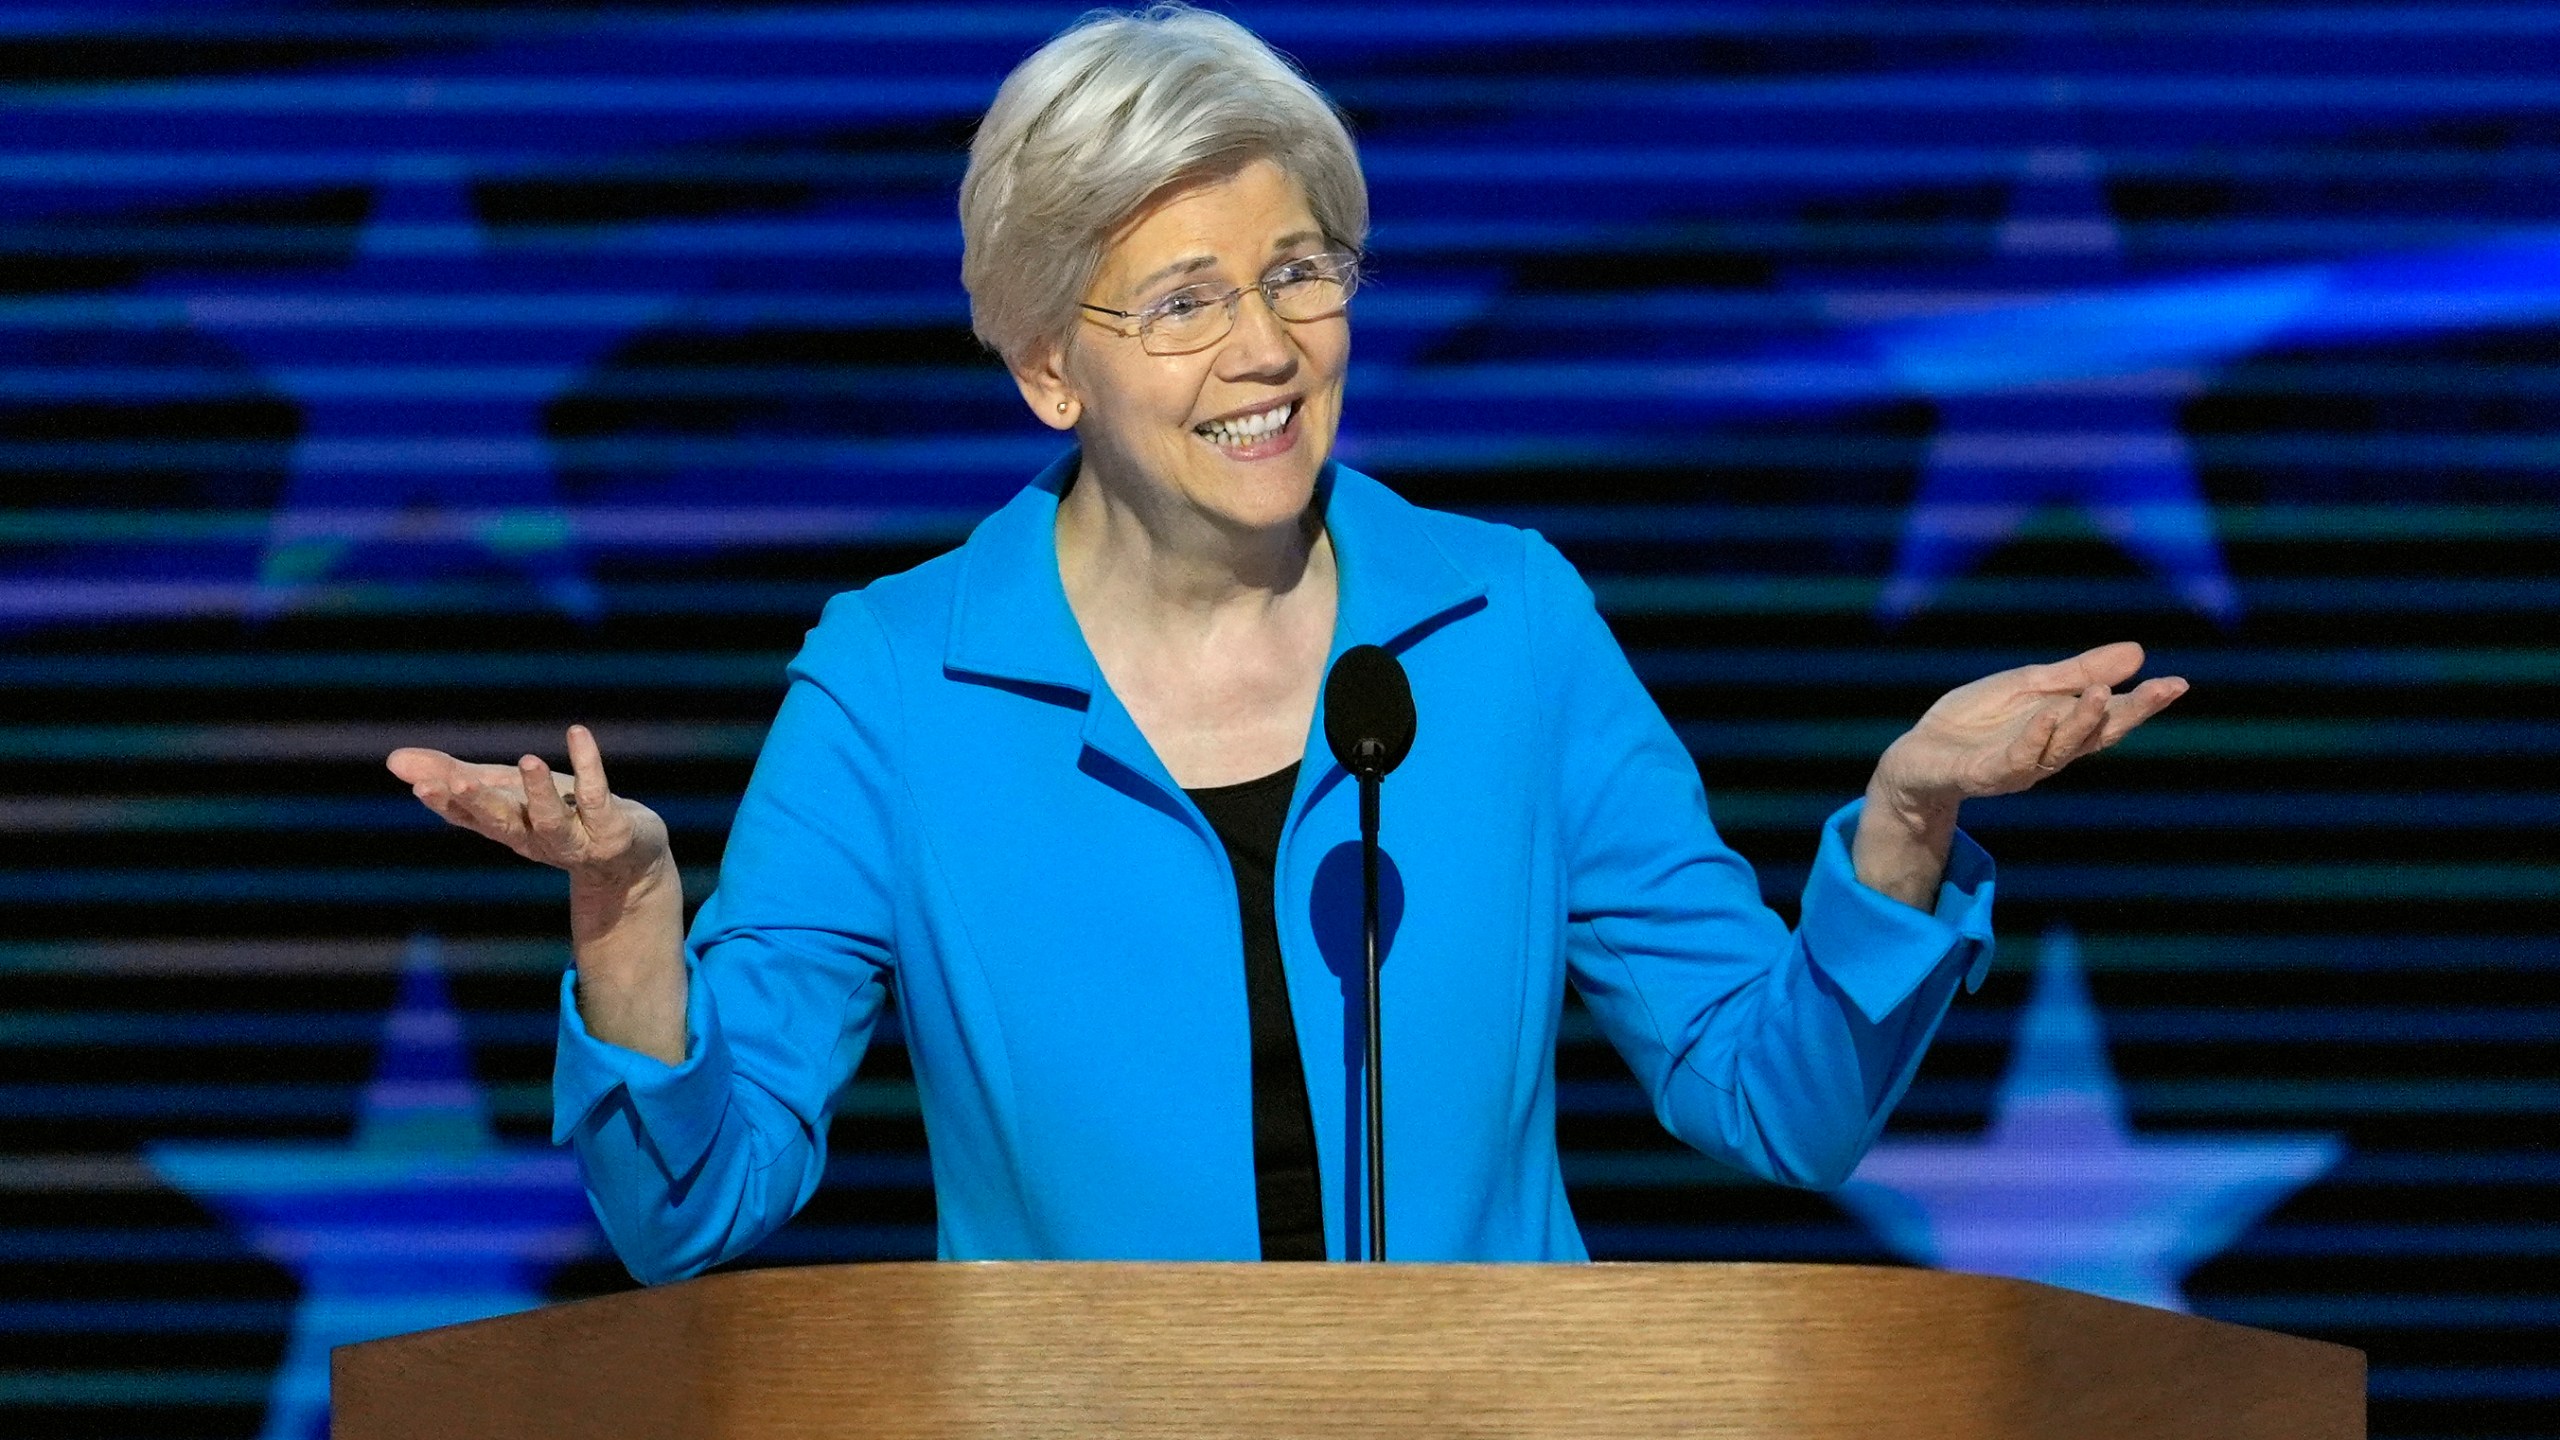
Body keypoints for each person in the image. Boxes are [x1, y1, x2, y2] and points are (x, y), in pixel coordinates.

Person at [388, 4, 2184, 1281]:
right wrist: (628, 928)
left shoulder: (1507, 625)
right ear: (1044, 368)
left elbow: (1771, 1100)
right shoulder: (893, 688)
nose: (1266, 348)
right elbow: (694, 1209)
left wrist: (1900, 833)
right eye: (1182, 302)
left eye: (1301, 271)